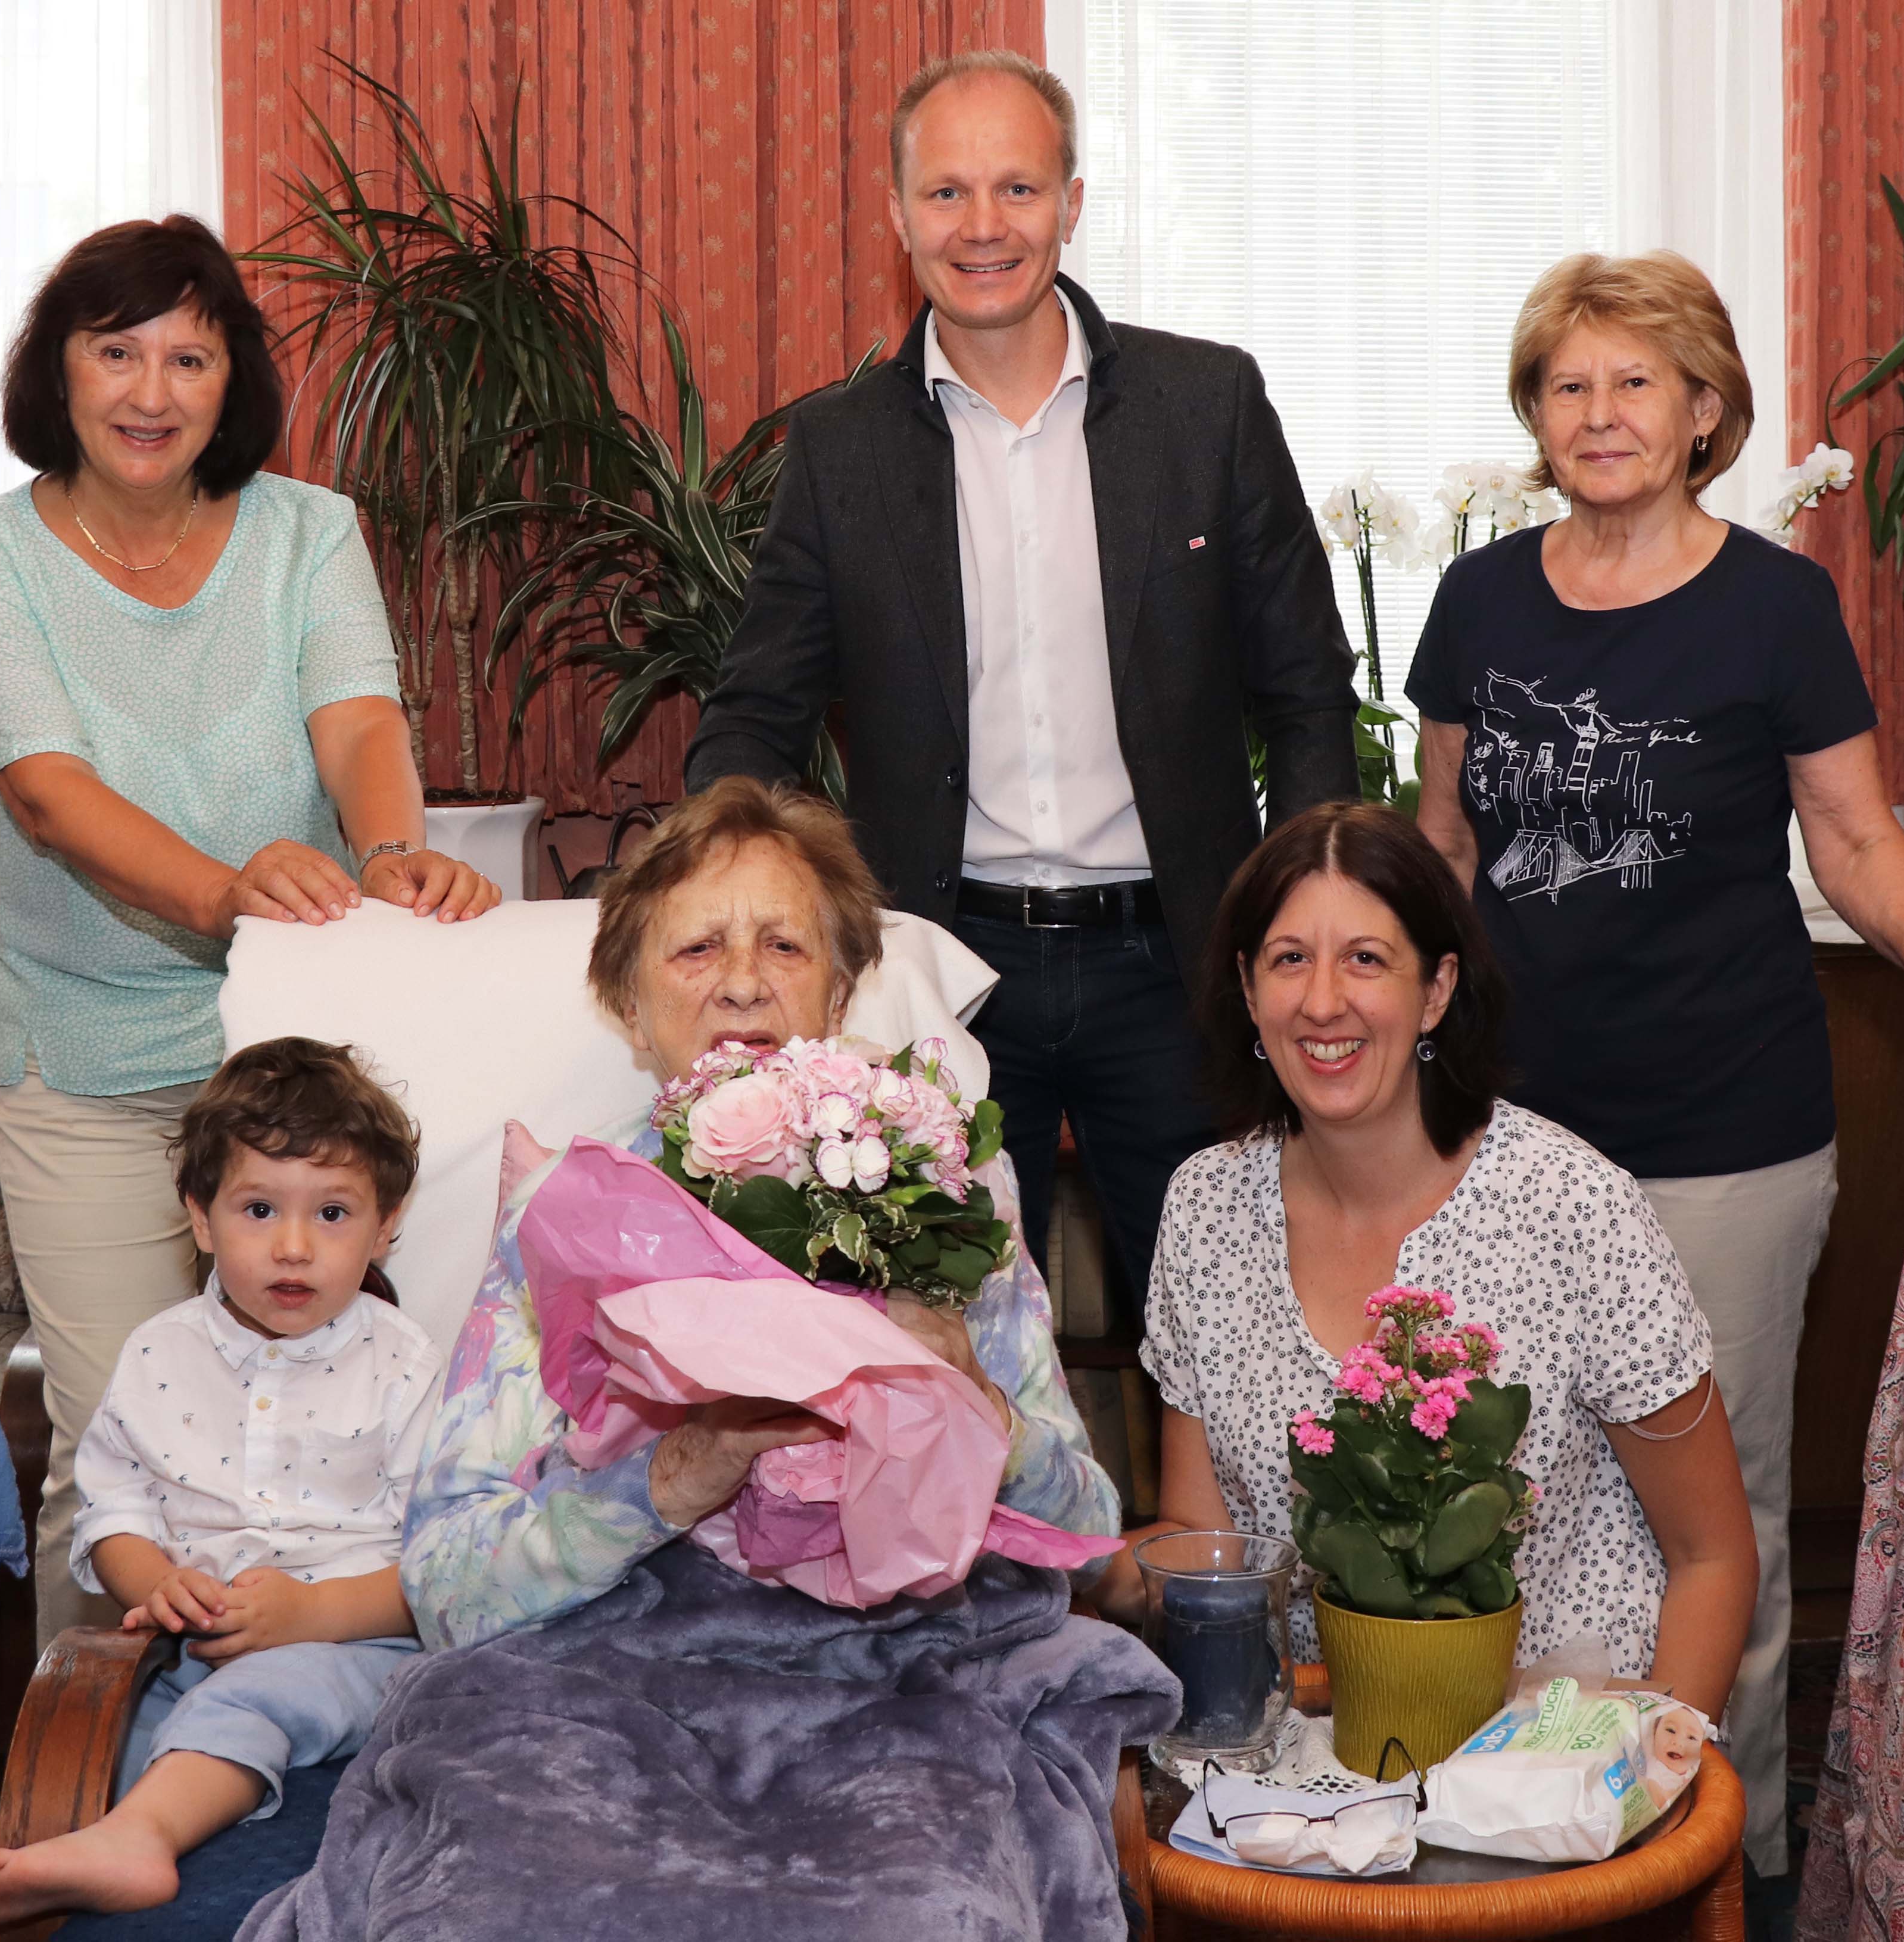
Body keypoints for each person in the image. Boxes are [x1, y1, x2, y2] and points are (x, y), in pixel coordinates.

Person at [1402, 249, 1904, 1866]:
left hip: (1728, 1129)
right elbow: (1441, 842)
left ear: (1703, 410)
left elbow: (1847, 831)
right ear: (1533, 416)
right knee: (1504, 1497)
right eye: (1568, 384)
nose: (1600, 411)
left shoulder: (1773, 601)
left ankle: (1723, 1855)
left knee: (1716, 1512)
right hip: (1507, 1130)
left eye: (1635, 380)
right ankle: (1516, 1840)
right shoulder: (1478, 599)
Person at [685, 50, 1357, 1330]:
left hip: (1179, 964)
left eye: (1015, 189)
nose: (981, 227)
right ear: (895, 217)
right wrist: (712, 890)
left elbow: (1307, 689)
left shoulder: (1205, 405)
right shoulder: (838, 451)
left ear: (1072, 201)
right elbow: (758, 710)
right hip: (937, 965)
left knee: (1228, 1337)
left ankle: (1218, 1542)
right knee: (935, 1341)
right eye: (945, 194)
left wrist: (1309, 908)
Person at [0, 215, 500, 1640]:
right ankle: (81, 1788)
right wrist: (227, 891)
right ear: (55, 373)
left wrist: (386, 852)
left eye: (191, 354)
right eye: (116, 351)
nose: (152, 390)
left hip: (299, 1069)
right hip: (87, 1061)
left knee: (376, 1457)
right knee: (107, 1459)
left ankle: (333, 1738)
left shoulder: (308, 529)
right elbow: (51, 799)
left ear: (229, 377)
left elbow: (359, 715)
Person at [1091, 803, 1757, 1728]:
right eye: (1289, 959)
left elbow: (1712, 1556)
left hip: (1567, 1752)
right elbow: (1211, 1553)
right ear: (1248, 991)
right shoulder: (1206, 1208)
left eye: (1366, 958)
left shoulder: (1570, 1202)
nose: (1323, 1001)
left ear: (1438, 988)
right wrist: (1043, 1547)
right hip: (1321, 1752)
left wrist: (1654, 1785)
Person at [406, 774, 1115, 1643]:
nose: (742, 983)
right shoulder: (566, 1215)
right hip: (633, 1667)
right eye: (697, 948)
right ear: (631, 1009)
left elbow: (1093, 1541)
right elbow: (445, 1587)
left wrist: (977, 1403)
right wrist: (669, 1477)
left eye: (784, 946)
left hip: (911, 1657)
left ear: (841, 997)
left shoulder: (941, 1190)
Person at [0, 1037, 438, 1925]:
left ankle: (140, 1841)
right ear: (198, 1216)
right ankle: (128, 1852)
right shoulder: (161, 1352)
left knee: (258, 1697)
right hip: (192, 1661)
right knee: (147, 1748)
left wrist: (310, 1616)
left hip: (372, 1656)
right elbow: (114, 1513)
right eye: (256, 1208)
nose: (292, 1245)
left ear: (387, 1222)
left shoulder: (406, 1363)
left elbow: (447, 1562)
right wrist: (160, 1586)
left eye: (331, 1212)